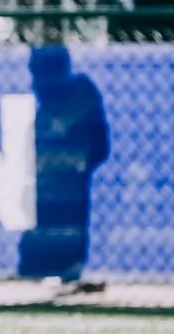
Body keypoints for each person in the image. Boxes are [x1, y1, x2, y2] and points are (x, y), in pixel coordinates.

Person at [15, 46, 109, 293]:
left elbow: (97, 142)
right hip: (48, 175)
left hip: (71, 174)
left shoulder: (81, 93)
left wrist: (79, 162)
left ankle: (67, 270)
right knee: (45, 217)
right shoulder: (44, 103)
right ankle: (40, 270)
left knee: (69, 220)